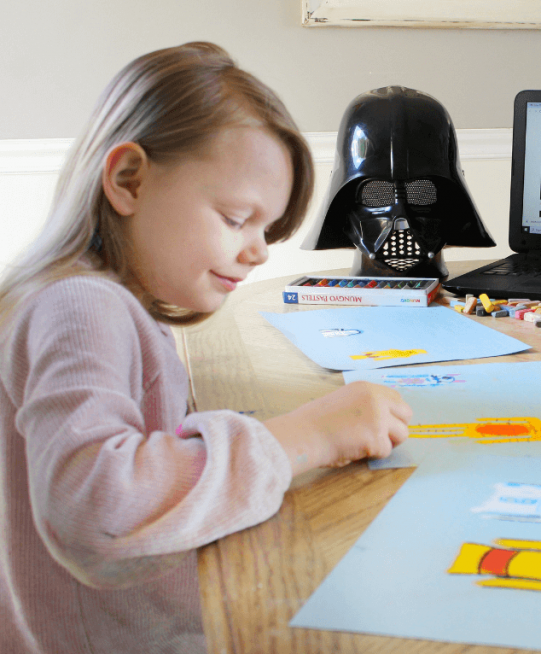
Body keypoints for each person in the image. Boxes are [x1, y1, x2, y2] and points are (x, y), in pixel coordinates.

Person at [0, 42, 412, 654]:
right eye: (235, 218)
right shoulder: (81, 306)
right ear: (128, 180)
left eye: (266, 229)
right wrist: (305, 437)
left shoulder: (89, 298)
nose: (260, 251)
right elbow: (96, 507)